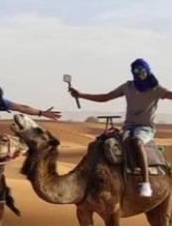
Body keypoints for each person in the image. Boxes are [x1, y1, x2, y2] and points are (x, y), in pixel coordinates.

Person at [68, 59, 172, 198]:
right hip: (128, 126)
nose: (140, 73)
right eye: (136, 70)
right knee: (104, 143)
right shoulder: (128, 87)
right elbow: (105, 97)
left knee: (137, 142)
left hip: (145, 128)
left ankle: (146, 183)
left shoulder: (156, 89)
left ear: (147, 70)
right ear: (132, 72)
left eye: (142, 70)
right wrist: (81, 95)